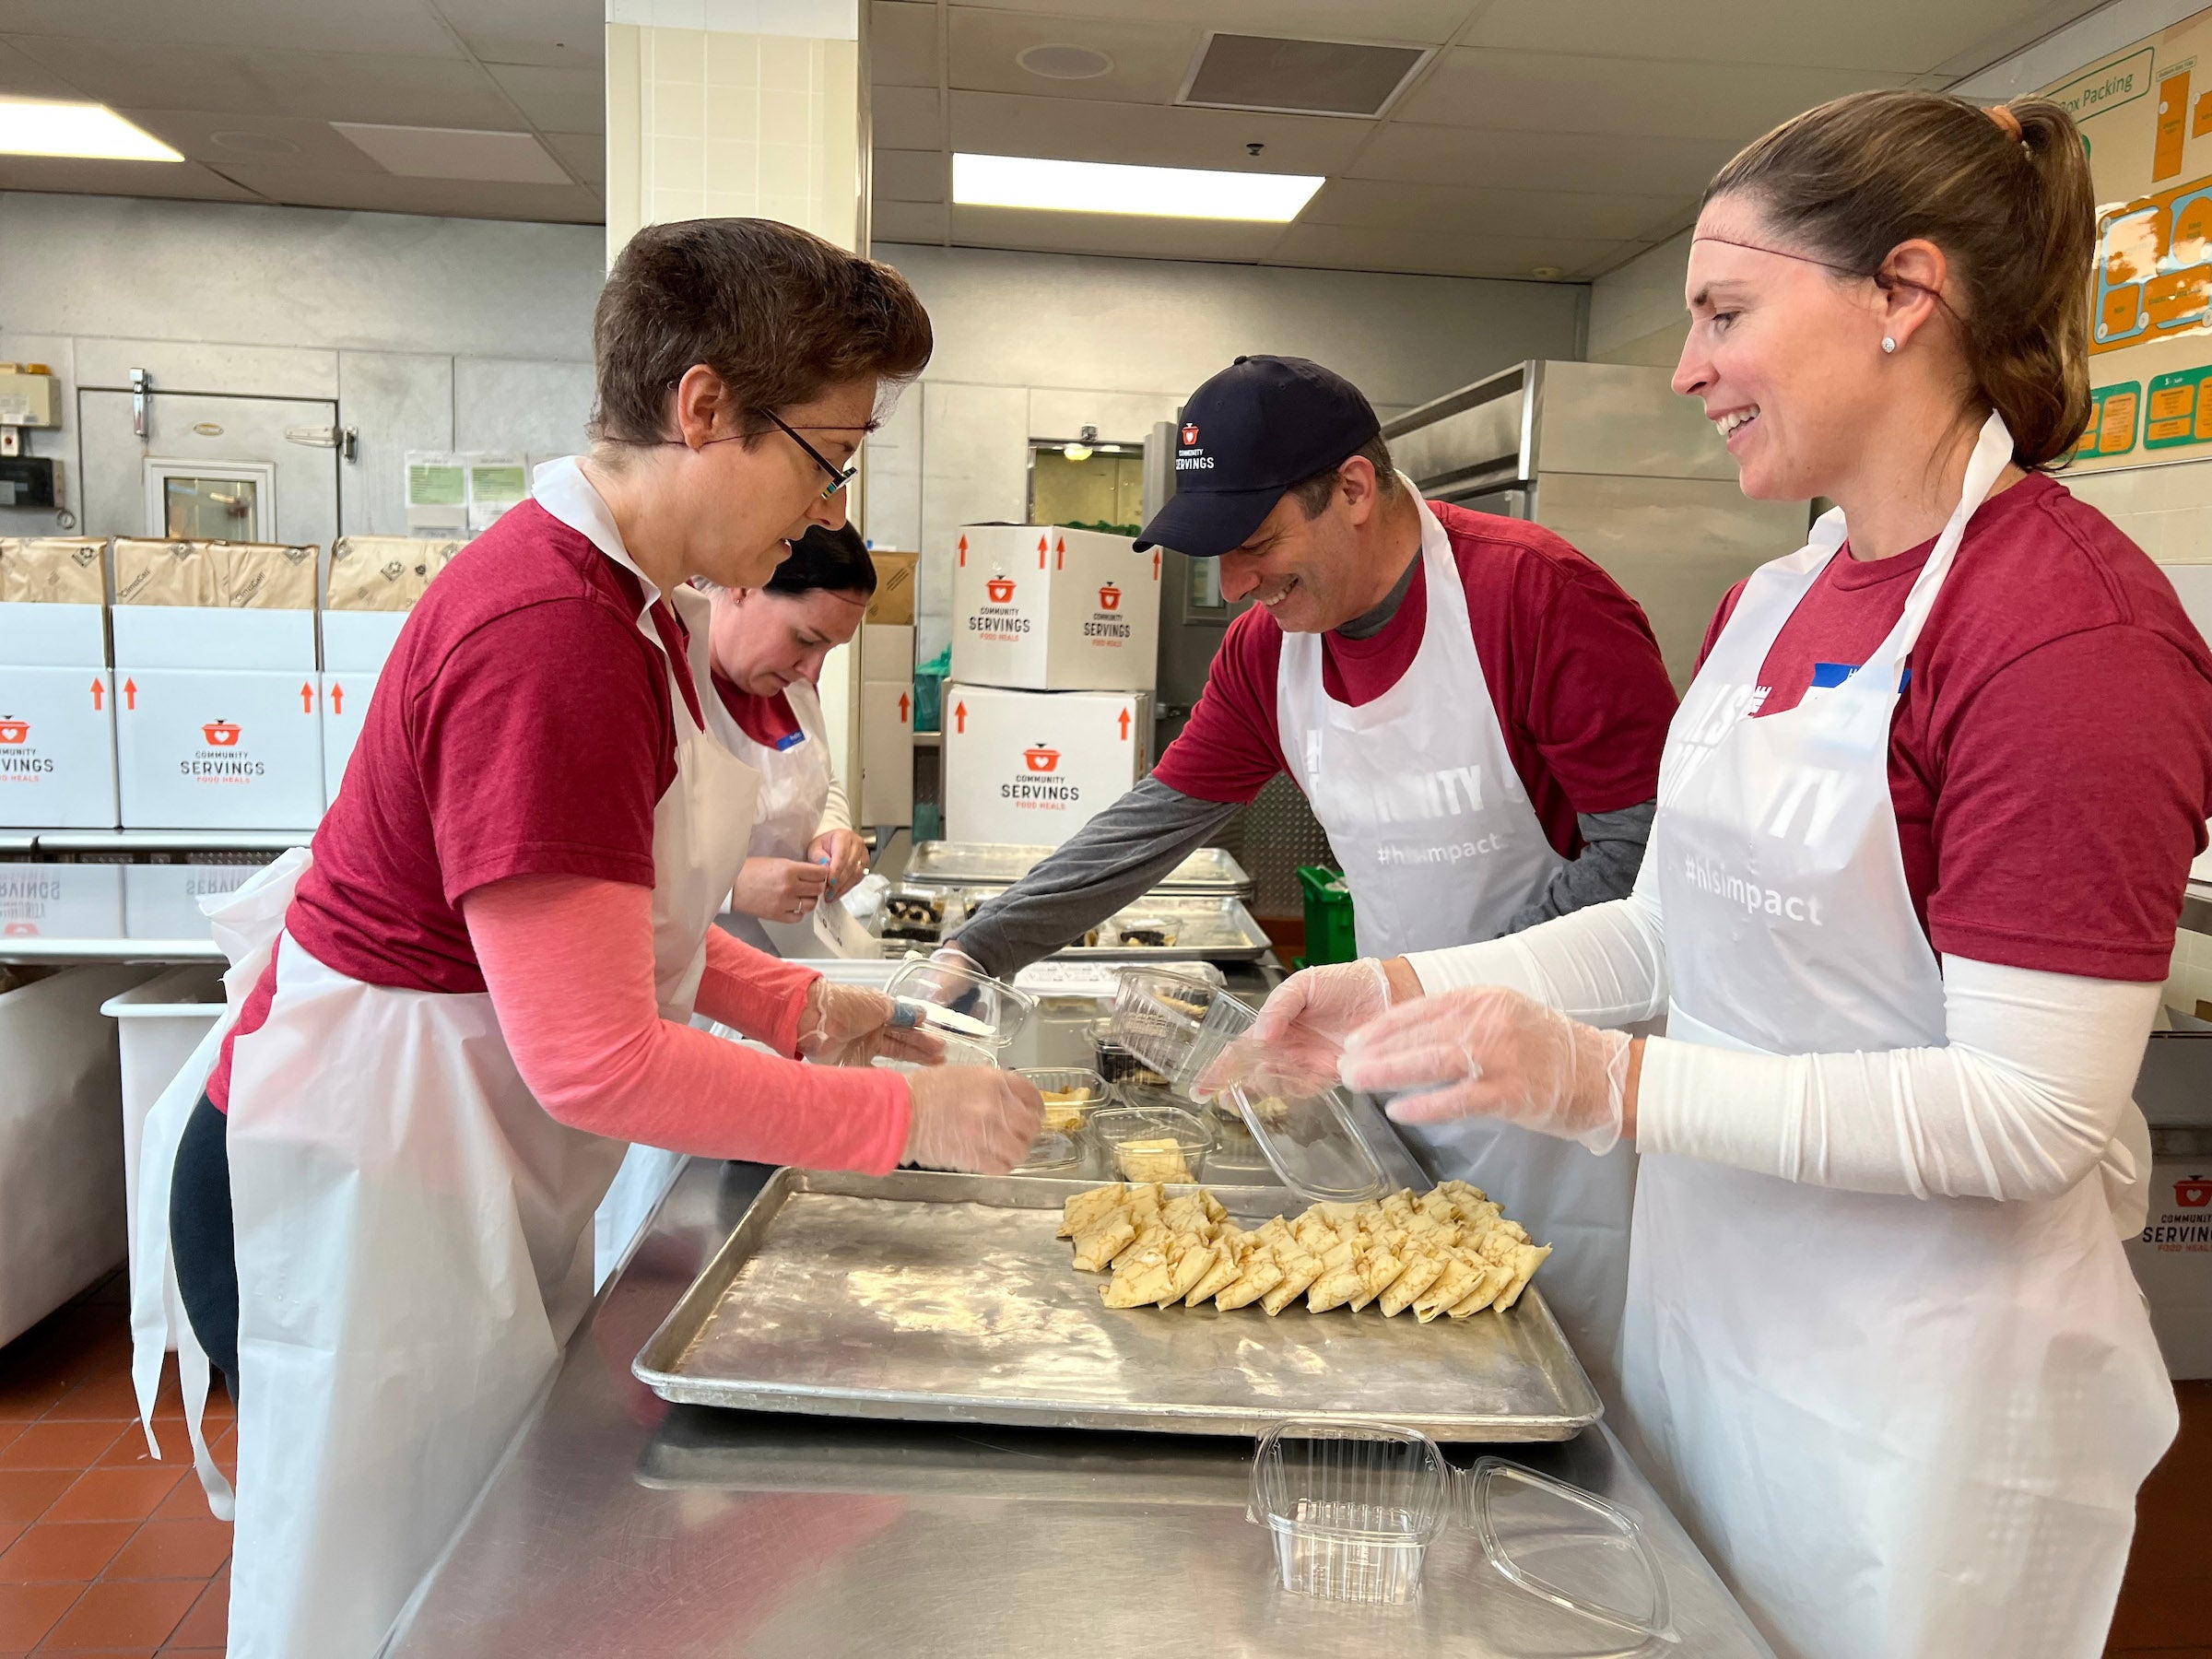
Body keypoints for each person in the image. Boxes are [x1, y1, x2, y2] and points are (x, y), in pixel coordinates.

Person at [1254, 93, 2206, 1659]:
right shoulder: (1778, 601)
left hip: (1920, 1401)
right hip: (1712, 1325)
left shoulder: (2068, 635)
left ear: (1904, 296)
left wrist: (1608, 1092)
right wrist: (1403, 989)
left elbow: (2029, 1115)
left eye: (1724, 313)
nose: (1688, 366)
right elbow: (1668, 932)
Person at [134, 218, 1042, 1659]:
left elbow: (603, 919)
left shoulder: (630, 612)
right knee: (394, 1606)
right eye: (830, 454)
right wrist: (897, 1117)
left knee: (475, 1586)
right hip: (364, 1174)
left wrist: (801, 1009)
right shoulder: (549, 633)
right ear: (702, 409)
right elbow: (598, 1056)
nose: (830, 499)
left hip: (445, 1154)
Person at [939, 354, 1678, 1392]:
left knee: (1550, 1374)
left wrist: (1434, 994)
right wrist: (972, 948)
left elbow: (1648, 857)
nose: (1237, 586)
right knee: (1416, 1362)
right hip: (1382, 1061)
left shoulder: (1538, 600)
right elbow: (1151, 825)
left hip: (1560, 1095)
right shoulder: (1266, 651)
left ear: (1357, 491)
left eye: (1256, 545)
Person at [707, 520, 875, 952]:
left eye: (828, 651)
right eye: (804, 639)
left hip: (786, 957)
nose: (812, 670)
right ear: (744, 585)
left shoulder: (792, 682)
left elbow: (819, 781)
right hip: (685, 975)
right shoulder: (665, 686)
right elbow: (599, 865)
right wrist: (730, 887)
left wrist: (831, 831)